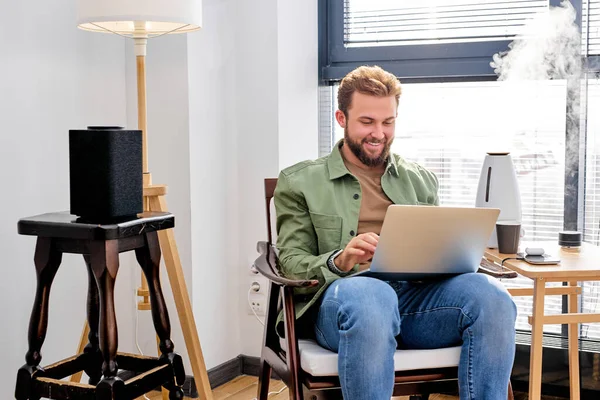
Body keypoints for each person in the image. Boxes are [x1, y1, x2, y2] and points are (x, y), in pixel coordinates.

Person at [273, 65, 517, 400]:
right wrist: (341, 260)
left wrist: (455, 254)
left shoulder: (420, 179)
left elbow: (438, 250)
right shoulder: (299, 181)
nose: (379, 133)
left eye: (388, 122)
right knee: (374, 296)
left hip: (415, 304)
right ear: (341, 119)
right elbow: (290, 262)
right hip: (343, 305)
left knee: (493, 297)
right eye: (367, 122)